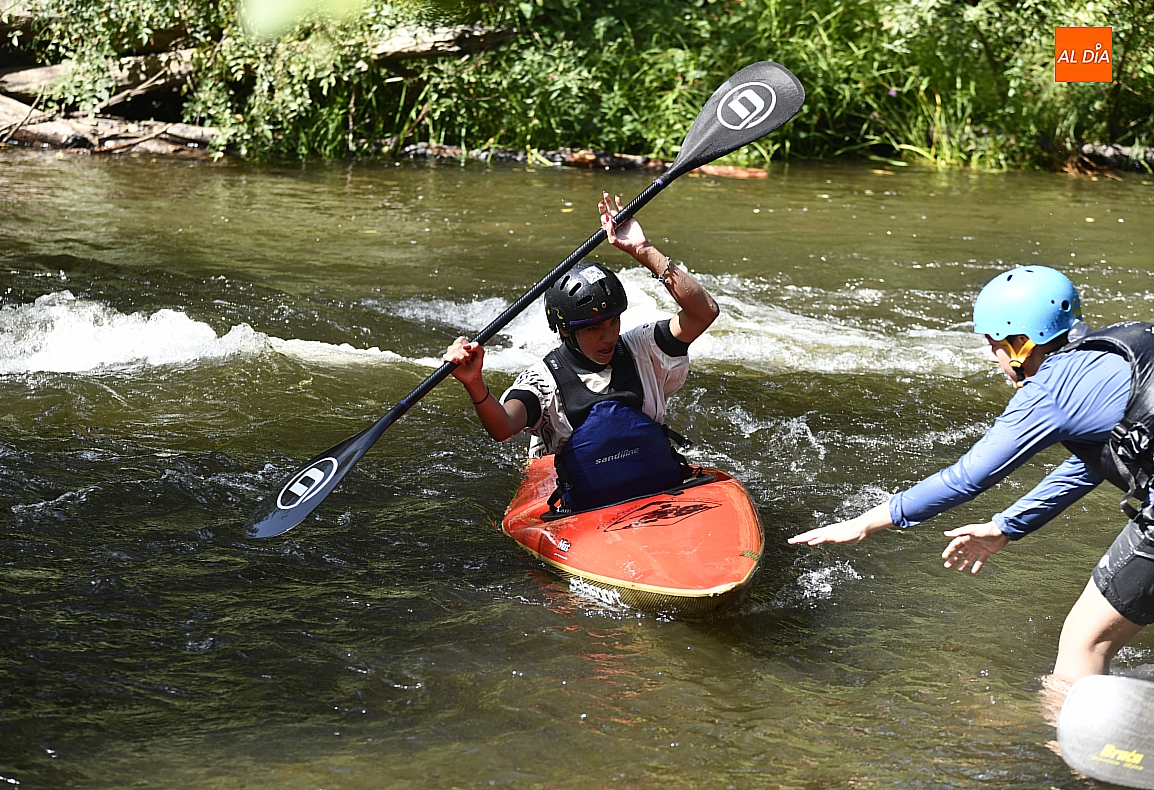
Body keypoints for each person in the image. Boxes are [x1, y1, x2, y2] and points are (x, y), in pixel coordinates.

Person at [789, 264, 1154, 689]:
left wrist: (867, 522)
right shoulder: (1126, 345)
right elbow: (1096, 463)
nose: (993, 357)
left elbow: (966, 477)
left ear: (1020, 344)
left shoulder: (1051, 390)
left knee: (1084, 643)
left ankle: (1060, 731)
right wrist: (1008, 525)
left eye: (993, 344)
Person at [443, 191, 719, 511]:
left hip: (658, 487)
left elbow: (704, 313)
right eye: (593, 328)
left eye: (613, 321)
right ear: (565, 330)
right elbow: (503, 426)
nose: (608, 336)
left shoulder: (643, 348)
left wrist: (643, 250)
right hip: (586, 508)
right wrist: (474, 382)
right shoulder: (543, 382)